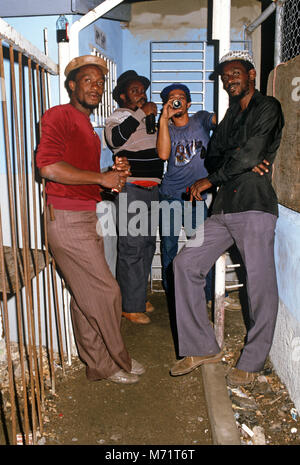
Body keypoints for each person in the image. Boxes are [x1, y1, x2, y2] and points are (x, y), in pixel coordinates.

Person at [170, 50, 284, 386]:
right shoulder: (231, 114)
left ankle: (253, 360)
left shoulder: (268, 107)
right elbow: (214, 155)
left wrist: (234, 164)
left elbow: (247, 154)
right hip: (222, 209)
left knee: (260, 285)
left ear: (251, 75)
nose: (229, 80)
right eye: (225, 77)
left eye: (235, 73)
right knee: (185, 264)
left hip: (254, 205)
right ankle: (202, 346)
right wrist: (242, 159)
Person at [36, 55, 145, 384]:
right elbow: (49, 168)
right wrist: (101, 179)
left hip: (86, 213)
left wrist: (111, 176)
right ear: (71, 85)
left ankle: (100, 366)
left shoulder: (87, 127)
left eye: (100, 82)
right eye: (88, 81)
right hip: (66, 218)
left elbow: (84, 177)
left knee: (86, 298)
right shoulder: (59, 115)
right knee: (108, 291)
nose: (96, 86)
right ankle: (118, 358)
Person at [105, 70, 164, 325]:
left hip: (152, 189)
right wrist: (141, 113)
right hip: (132, 188)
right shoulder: (119, 116)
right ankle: (129, 305)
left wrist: (153, 118)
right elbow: (115, 140)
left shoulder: (149, 117)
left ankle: (137, 296)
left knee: (148, 244)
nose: (141, 94)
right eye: (135, 91)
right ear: (121, 96)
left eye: (142, 90)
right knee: (132, 247)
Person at [156, 83, 216, 303]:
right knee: (169, 245)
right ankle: (172, 294)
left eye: (181, 97)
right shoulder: (166, 127)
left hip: (196, 196)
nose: (177, 101)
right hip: (171, 194)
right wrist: (164, 118)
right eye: (172, 98)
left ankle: (207, 294)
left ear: (188, 103)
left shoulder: (200, 119)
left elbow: (221, 121)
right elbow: (163, 155)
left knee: (200, 245)